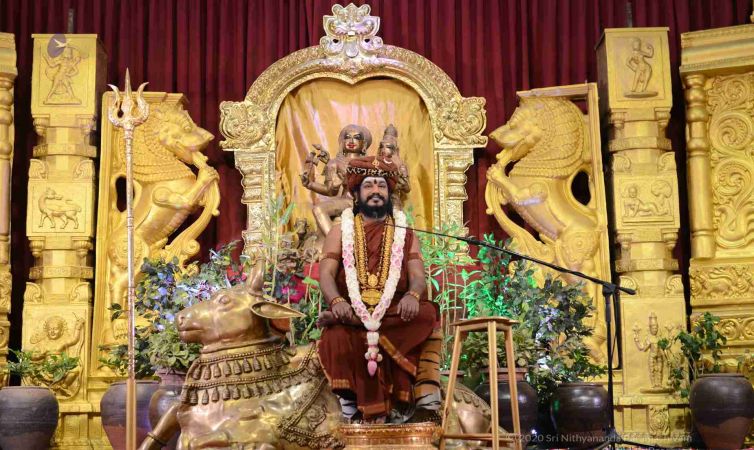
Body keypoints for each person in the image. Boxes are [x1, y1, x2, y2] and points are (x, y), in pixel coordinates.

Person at [316, 155, 439, 423]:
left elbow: (418, 276)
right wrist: (337, 302)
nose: (375, 191)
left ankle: (422, 399)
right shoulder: (340, 230)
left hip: (393, 312)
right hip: (350, 309)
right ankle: (350, 408)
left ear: (389, 193)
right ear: (356, 194)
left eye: (381, 186)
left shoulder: (405, 232)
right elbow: (325, 274)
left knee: (427, 313)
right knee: (336, 336)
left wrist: (413, 295)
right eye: (369, 185)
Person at [300, 124, 372, 236]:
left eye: (357, 138)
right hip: (348, 201)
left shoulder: (371, 164)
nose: (351, 141)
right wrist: (309, 184)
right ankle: (334, 242)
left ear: (364, 144)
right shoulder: (334, 163)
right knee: (318, 209)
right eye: (347, 137)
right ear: (342, 142)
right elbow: (330, 191)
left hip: (368, 202)